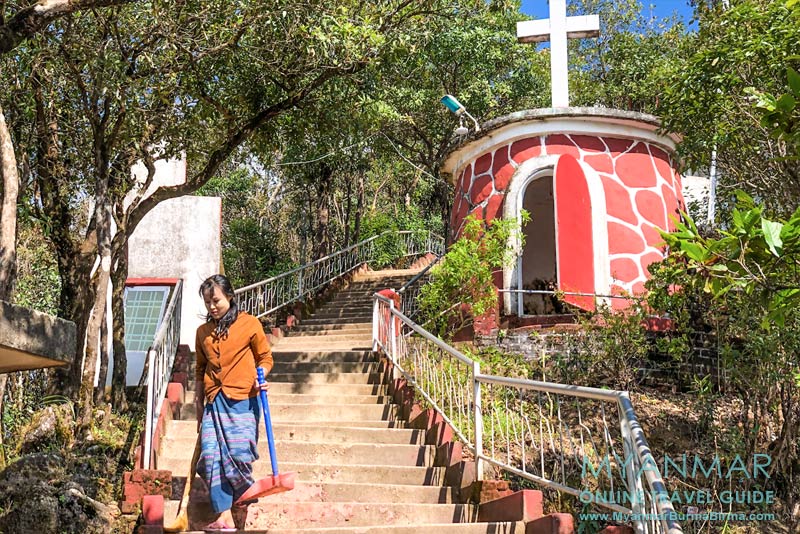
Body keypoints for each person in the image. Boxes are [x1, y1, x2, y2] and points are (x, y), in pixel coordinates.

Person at [194, 274, 273, 532]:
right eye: (207, 303)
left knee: (238, 458)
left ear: (229, 295)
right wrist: (198, 404)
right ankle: (224, 517)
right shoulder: (203, 332)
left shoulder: (250, 324)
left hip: (243, 401)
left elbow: (265, 357)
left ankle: (237, 522)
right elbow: (199, 369)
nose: (212, 307)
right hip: (213, 402)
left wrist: (260, 378)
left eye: (216, 300)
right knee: (210, 457)